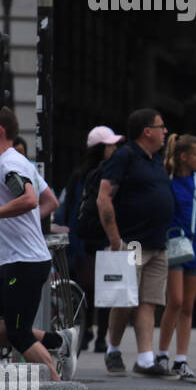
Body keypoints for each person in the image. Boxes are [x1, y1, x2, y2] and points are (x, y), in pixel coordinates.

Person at [97, 109, 177, 378]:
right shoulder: (125, 156)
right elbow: (104, 197)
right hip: (131, 242)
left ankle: (145, 358)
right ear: (147, 131)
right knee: (125, 300)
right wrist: (115, 239)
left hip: (157, 242)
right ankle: (113, 350)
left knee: (149, 301)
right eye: (161, 126)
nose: (165, 131)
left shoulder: (155, 160)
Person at [0, 109, 62, 381]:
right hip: (18, 261)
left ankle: (58, 387)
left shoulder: (9, 165)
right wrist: (15, 221)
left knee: (18, 333)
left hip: (24, 263)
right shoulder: (17, 161)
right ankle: (57, 341)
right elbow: (50, 202)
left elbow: (31, 200)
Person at [156, 134, 196, 383]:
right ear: (184, 157)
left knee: (188, 306)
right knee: (176, 300)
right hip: (173, 247)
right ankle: (162, 354)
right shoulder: (168, 180)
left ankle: (181, 358)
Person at [58, 126, 124, 351]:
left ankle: (101, 336)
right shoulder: (82, 175)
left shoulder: (112, 172)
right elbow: (71, 210)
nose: (114, 149)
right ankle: (87, 332)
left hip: (103, 238)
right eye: (110, 145)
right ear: (99, 148)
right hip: (86, 241)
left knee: (106, 288)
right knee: (88, 287)